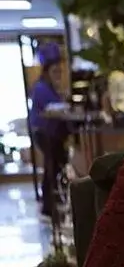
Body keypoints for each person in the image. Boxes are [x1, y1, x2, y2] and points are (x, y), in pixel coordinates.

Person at [29, 43, 70, 220]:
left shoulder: (51, 87)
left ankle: (56, 203)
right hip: (44, 133)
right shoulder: (40, 88)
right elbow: (51, 108)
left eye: (60, 71)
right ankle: (48, 207)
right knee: (51, 167)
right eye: (55, 71)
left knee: (55, 165)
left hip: (53, 134)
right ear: (46, 71)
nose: (58, 74)